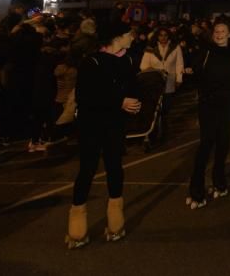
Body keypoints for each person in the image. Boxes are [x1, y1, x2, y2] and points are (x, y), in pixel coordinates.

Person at [66, 23, 140, 249]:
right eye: (129, 34)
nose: (132, 38)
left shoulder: (128, 60)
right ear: (117, 37)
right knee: (87, 169)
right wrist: (120, 101)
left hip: (115, 124)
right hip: (91, 124)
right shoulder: (92, 61)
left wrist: (135, 101)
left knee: (115, 167)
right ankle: (77, 224)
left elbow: (132, 87)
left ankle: (115, 221)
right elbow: (85, 96)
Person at [187, 21, 230, 209]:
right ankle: (196, 191)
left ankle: (220, 183)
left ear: (229, 34)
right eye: (216, 31)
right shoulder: (206, 52)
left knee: (223, 144)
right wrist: (190, 72)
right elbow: (195, 73)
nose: (219, 34)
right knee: (206, 145)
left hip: (227, 106)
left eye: (223, 31)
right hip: (208, 105)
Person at [139, 29, 185, 139]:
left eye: (165, 35)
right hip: (154, 83)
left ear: (169, 36)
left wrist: (179, 79)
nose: (163, 37)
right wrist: (157, 71)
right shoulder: (150, 49)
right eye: (160, 35)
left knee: (166, 109)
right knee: (154, 109)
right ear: (157, 36)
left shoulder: (175, 47)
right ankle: (152, 133)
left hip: (169, 82)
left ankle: (164, 132)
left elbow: (179, 64)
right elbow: (143, 66)